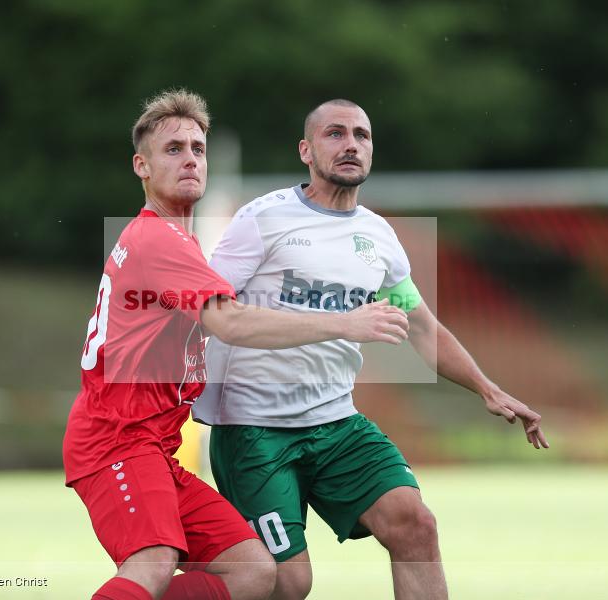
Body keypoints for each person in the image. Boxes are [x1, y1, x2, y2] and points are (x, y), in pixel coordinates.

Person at [194, 99, 550, 600]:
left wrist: (487, 389)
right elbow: (212, 315)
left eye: (361, 135)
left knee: (415, 525)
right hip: (255, 430)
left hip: (337, 423)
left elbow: (423, 327)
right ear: (306, 150)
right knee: (287, 583)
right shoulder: (263, 219)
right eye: (334, 134)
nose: (350, 145)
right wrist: (341, 321)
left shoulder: (378, 237)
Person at [62, 90, 411, 600]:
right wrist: (342, 323)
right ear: (142, 165)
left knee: (253, 571)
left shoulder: (179, 242)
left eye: (198, 149)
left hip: (155, 447)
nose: (190, 159)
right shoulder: (159, 239)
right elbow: (231, 324)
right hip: (117, 441)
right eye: (173, 149)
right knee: (153, 563)